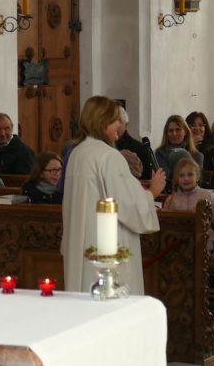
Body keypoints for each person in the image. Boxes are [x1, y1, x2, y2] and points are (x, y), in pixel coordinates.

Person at [61, 96, 166, 295]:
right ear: (102, 121)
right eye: (116, 120)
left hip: (81, 244)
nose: (120, 125)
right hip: (106, 249)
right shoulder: (109, 156)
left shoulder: (77, 153)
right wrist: (152, 193)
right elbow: (127, 206)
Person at [163, 157, 214, 259]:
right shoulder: (171, 200)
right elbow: (165, 226)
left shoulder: (208, 196)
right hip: (176, 247)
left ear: (197, 177)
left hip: (204, 246)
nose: (186, 178)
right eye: (182, 175)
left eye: (190, 174)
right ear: (176, 178)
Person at [156, 115, 204, 184]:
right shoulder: (160, 153)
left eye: (178, 130)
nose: (174, 134)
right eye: (170, 131)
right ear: (166, 133)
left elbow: (199, 182)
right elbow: (166, 178)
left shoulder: (197, 155)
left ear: (185, 132)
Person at [116, 106, 155, 179]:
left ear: (126, 125)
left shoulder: (139, 148)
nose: (115, 125)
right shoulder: (100, 145)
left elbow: (146, 178)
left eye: (119, 121)